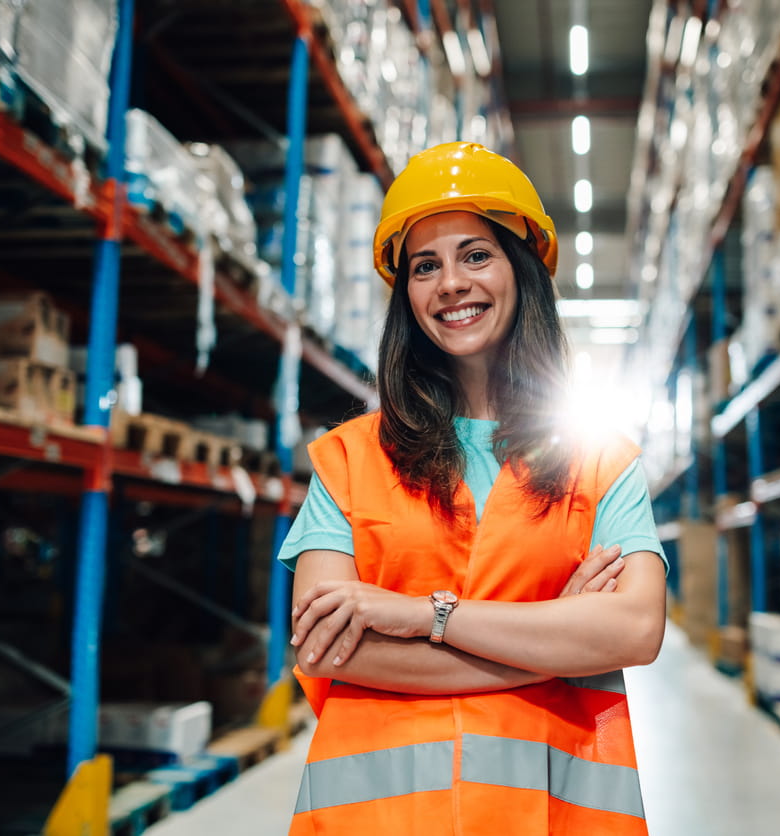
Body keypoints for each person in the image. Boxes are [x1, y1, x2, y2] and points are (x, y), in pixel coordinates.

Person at [277, 141, 668, 835]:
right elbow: (326, 646)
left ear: (521, 271)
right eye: (425, 266)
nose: (450, 282)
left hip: (551, 817)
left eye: (475, 255)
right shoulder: (350, 458)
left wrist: (423, 615)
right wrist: (553, 645)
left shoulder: (601, 459)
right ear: (407, 296)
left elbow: (634, 629)